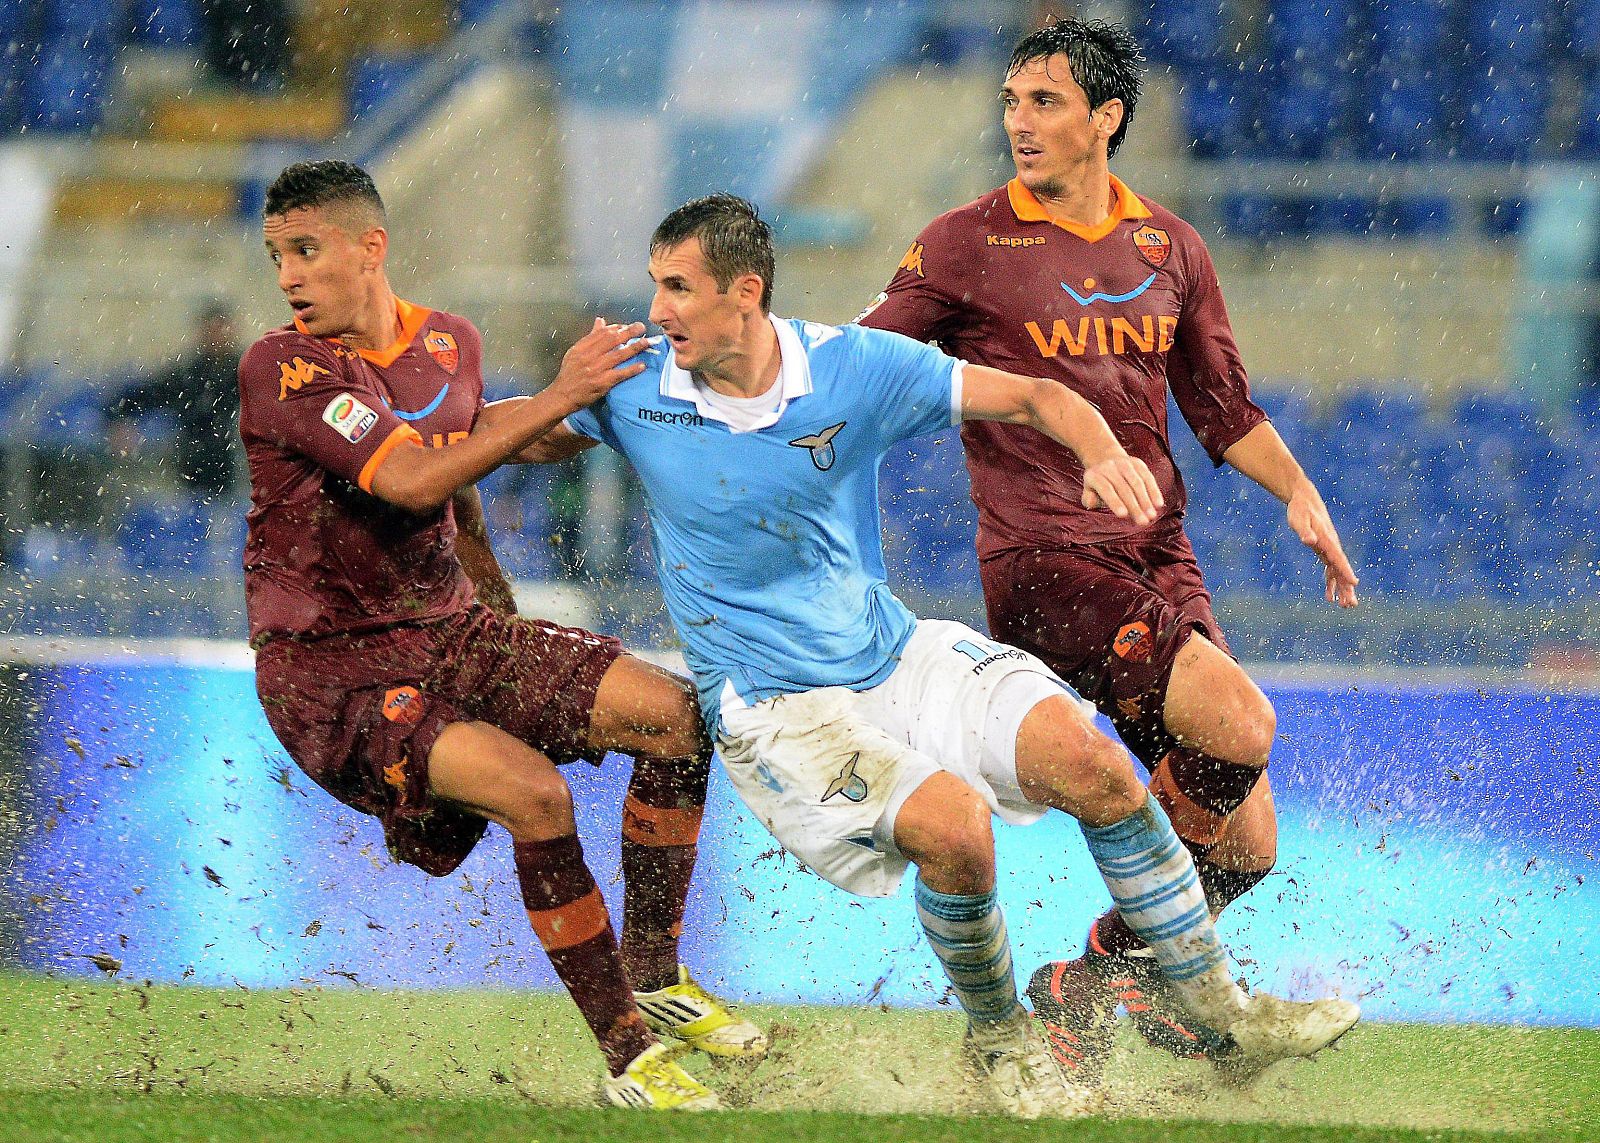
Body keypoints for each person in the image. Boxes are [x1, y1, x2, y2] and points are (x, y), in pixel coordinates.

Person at [520, 194, 1359, 1119]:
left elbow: (1038, 393)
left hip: (896, 654)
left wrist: (1097, 450)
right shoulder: (633, 384)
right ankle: (1002, 1040)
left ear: (744, 292)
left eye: (677, 287)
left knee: (1098, 770)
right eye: (655, 287)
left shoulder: (850, 367)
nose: (658, 309)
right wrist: (556, 398)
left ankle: (1220, 1007)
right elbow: (483, 440)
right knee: (957, 828)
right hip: (778, 707)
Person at [857, 17, 1362, 1079]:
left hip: (1156, 558)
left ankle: (1087, 985)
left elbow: (1223, 410)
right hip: (1040, 559)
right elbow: (860, 366)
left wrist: (1299, 493)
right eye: (1009, 101)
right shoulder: (965, 240)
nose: (1019, 123)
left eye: (1043, 102)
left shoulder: (1167, 246)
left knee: (1247, 847)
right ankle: (1150, 988)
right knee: (1238, 721)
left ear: (1106, 119)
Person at [238, 160, 764, 1112]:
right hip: (330, 672)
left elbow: (476, 459)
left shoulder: (449, 342)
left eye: (305, 250)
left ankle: (657, 975)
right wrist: (566, 392)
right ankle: (631, 1062)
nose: (289, 277)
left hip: (456, 630)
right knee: (536, 793)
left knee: (679, 720)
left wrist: (637, 402)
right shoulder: (285, 367)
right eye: (278, 255)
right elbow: (406, 480)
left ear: (371, 246)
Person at [106, 299, 244, 502]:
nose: (217, 338)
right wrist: (119, 420)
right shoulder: (187, 376)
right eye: (212, 330)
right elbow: (134, 398)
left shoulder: (247, 373)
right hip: (191, 469)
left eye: (222, 330)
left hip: (238, 472)